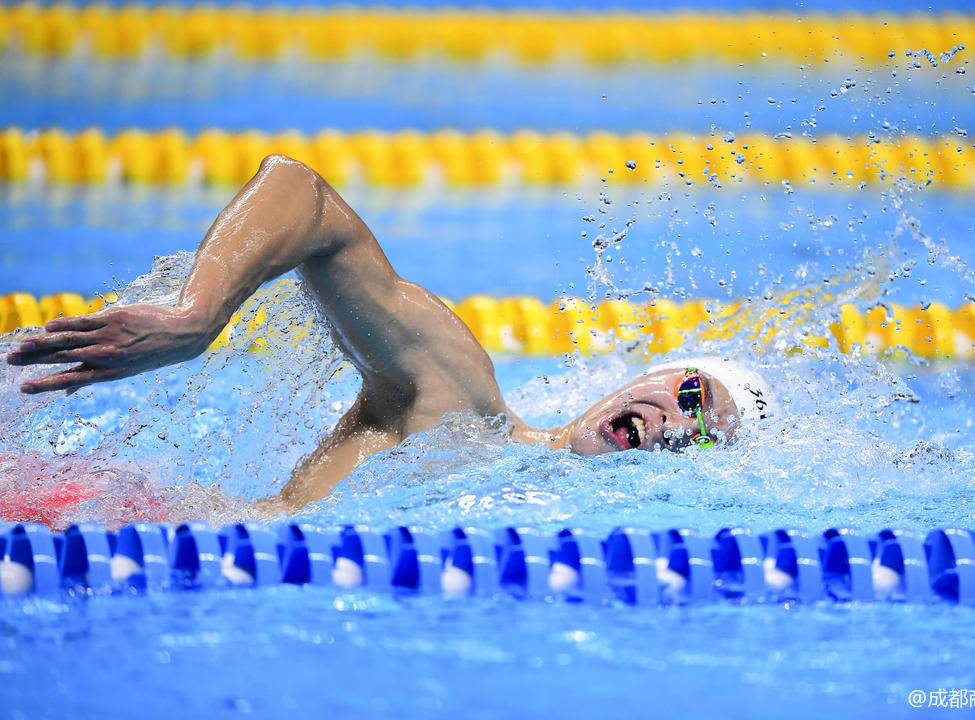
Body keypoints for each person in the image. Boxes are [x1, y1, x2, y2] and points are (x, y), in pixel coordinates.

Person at [5, 155, 773, 513]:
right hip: (87, 512)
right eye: (692, 393)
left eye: (706, 435)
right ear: (645, 379)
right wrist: (195, 316)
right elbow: (301, 195)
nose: (682, 423)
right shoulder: (464, 404)